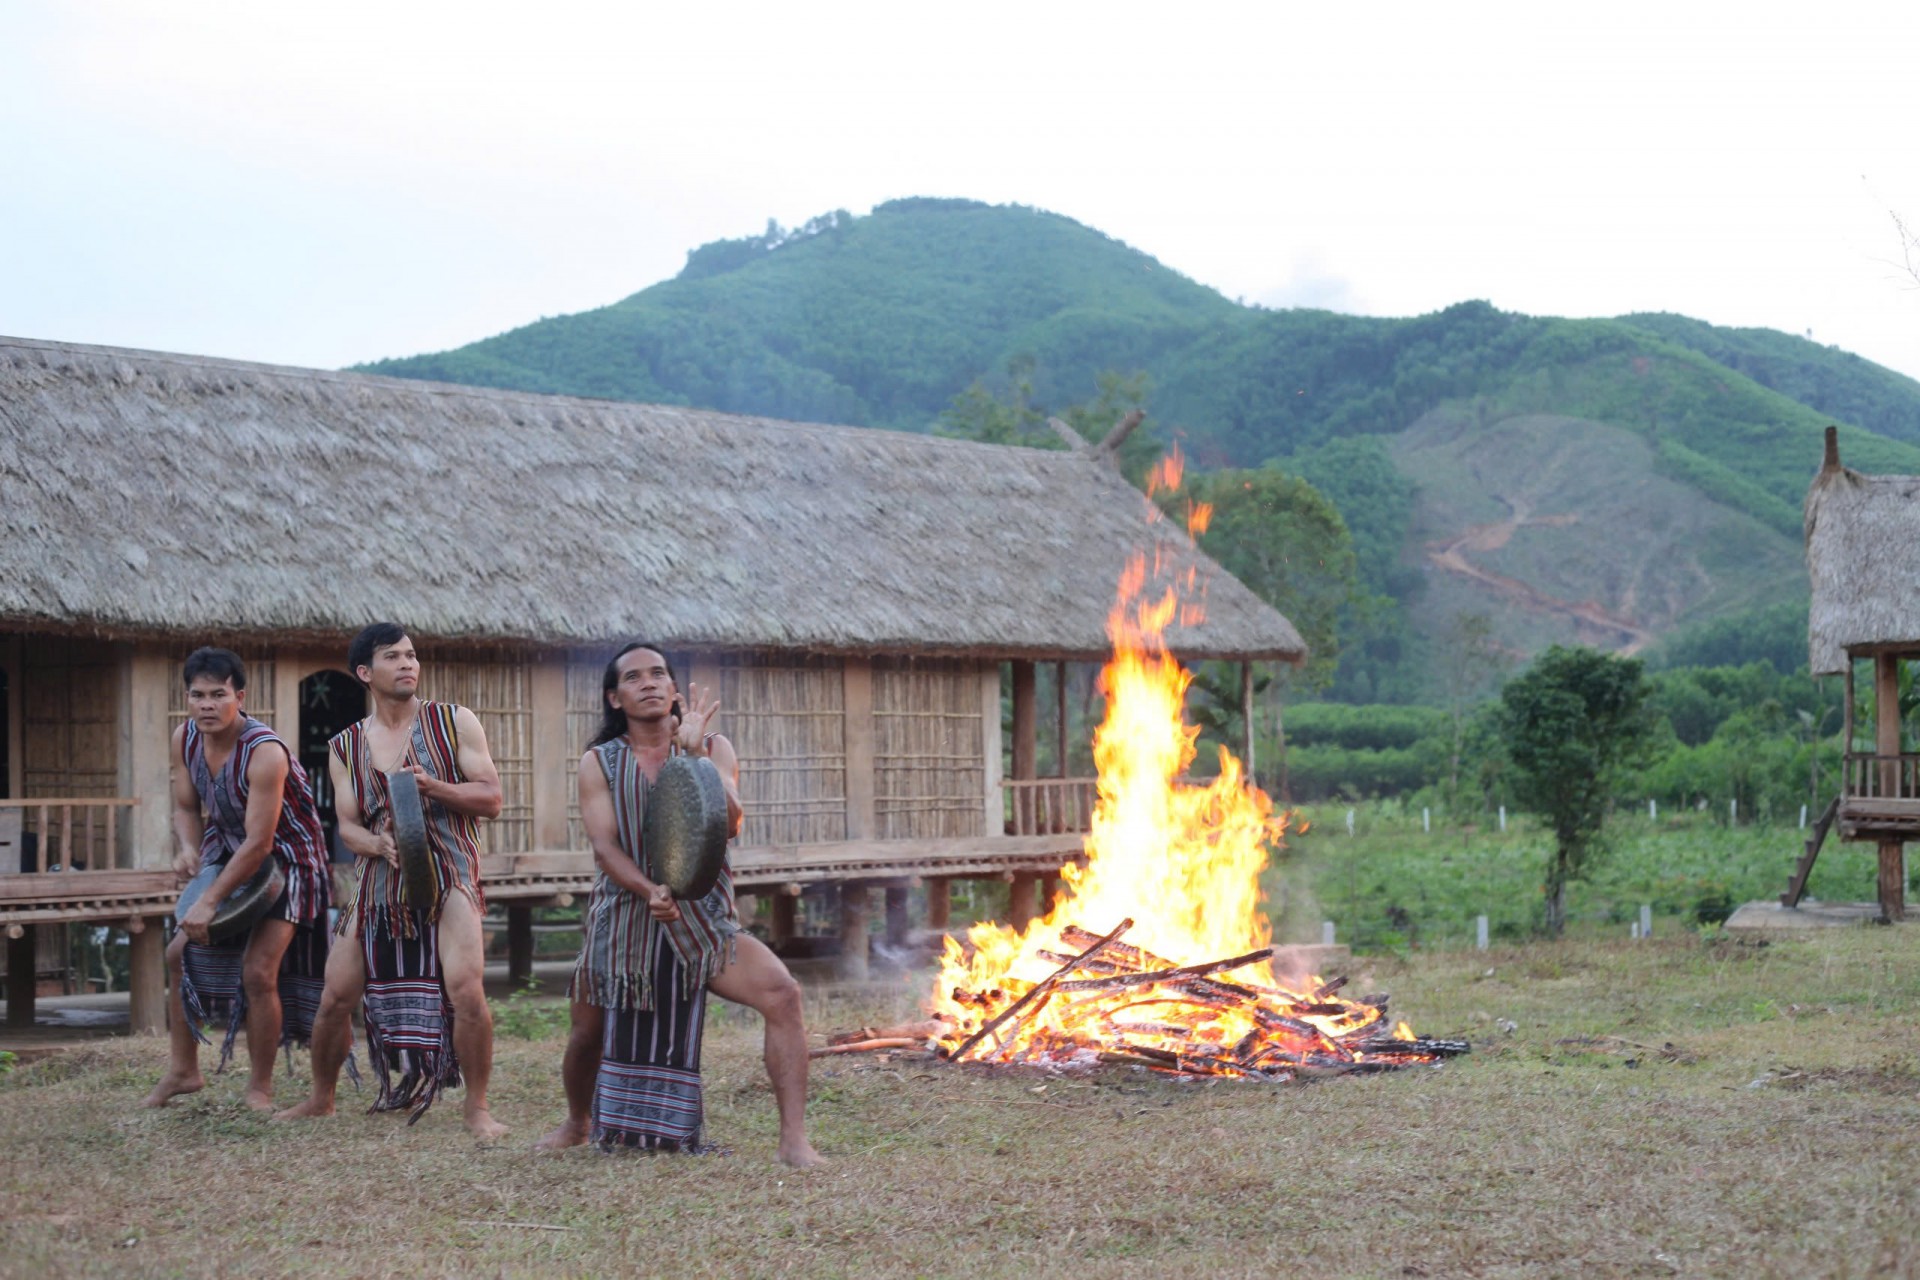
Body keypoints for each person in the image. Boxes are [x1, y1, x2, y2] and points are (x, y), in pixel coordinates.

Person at [533, 643, 822, 1165]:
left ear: (675, 690)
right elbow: (605, 847)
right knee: (586, 1033)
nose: (649, 683)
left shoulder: (714, 748)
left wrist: (693, 758)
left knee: (783, 994)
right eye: (634, 677)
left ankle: (794, 1141)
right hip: (624, 919)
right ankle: (578, 1121)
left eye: (659, 674)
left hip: (702, 919)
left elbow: (731, 821)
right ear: (614, 697)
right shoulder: (599, 762)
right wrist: (650, 892)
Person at [274, 623, 507, 1139]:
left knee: (467, 990)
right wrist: (380, 845)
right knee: (335, 996)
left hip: (449, 870)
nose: (408, 664)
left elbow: (491, 799)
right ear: (365, 672)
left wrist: (434, 787)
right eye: (393, 657)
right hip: (380, 878)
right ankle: (321, 1097)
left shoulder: (454, 722)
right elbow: (350, 827)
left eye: (412, 655)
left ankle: (477, 1108)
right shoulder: (346, 746)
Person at [143, 648, 334, 1111]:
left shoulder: (264, 752)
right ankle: (185, 1070)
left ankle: (260, 1088)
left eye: (218, 695)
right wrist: (188, 848)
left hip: (289, 861)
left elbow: (260, 845)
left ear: (239, 696)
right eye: (197, 695)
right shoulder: (184, 738)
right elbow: (187, 806)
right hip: (226, 848)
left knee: (258, 972)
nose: (206, 705)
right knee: (176, 954)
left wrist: (208, 900)